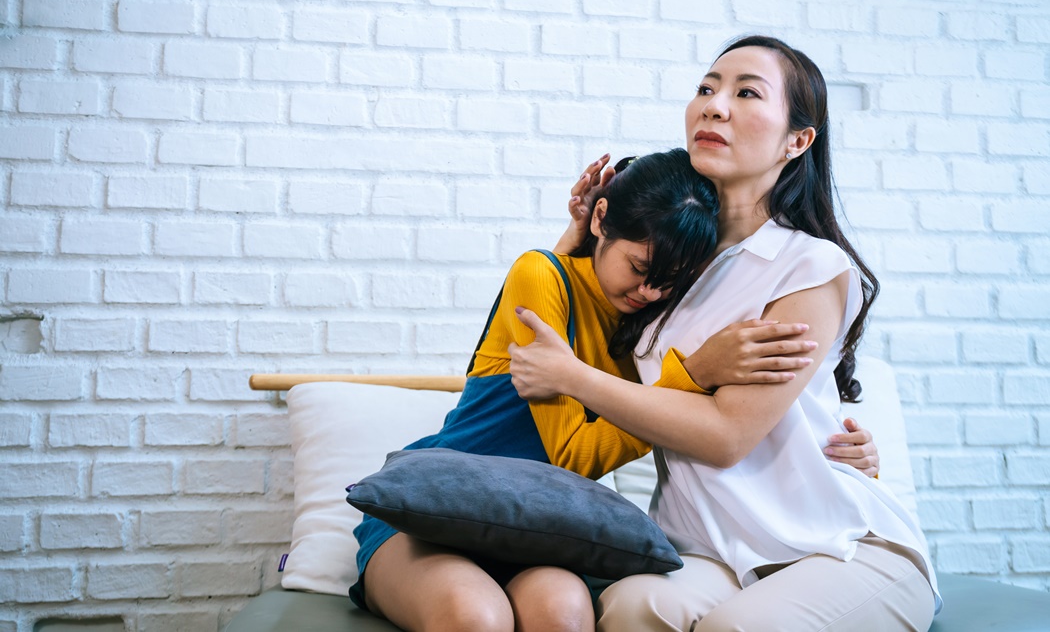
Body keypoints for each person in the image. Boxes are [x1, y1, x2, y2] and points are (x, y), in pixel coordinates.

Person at [509, 35, 940, 631]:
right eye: (707, 89)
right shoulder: (668, 265)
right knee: (629, 611)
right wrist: (578, 238)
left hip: (837, 543)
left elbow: (728, 436)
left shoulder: (808, 266)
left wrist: (572, 378)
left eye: (746, 93)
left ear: (798, 140)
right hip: (711, 551)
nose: (714, 105)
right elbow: (570, 307)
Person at [349, 149, 877, 632]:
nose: (647, 292)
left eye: (668, 281)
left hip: (536, 527)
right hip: (435, 513)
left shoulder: (650, 333)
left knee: (567, 615)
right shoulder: (540, 273)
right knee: (476, 618)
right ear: (600, 219)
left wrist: (835, 449)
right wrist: (691, 375)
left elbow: (735, 418)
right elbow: (572, 455)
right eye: (640, 269)